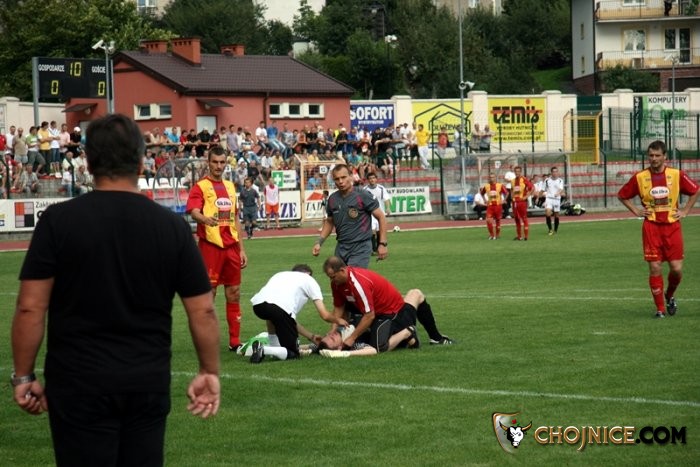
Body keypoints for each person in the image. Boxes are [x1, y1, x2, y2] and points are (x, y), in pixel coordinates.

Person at [10, 113, 220, 467]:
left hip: (78, 380)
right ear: (141, 162)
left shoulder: (58, 221)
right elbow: (203, 310)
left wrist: (24, 375)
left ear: (89, 162)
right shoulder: (170, 227)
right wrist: (208, 370)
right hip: (145, 380)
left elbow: (31, 307)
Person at [618, 140, 699, 318]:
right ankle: (660, 309)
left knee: (676, 269)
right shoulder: (640, 177)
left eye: (657, 155)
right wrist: (636, 211)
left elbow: (695, 190)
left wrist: (685, 211)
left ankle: (669, 295)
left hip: (672, 227)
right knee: (655, 267)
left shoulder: (676, 174)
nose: (653, 159)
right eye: (651, 155)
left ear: (665, 157)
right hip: (651, 228)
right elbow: (622, 195)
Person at [320, 256, 446, 358]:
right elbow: (338, 307)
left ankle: (409, 332)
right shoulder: (337, 284)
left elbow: (369, 316)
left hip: (391, 313)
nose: (332, 280)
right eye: (330, 277)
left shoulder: (358, 284)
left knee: (378, 346)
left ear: (342, 270)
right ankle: (409, 338)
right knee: (414, 294)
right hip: (377, 312)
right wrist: (333, 330)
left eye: (333, 277)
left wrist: (351, 339)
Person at [186, 146, 248, 351]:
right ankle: (206, 341)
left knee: (234, 293)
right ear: (208, 162)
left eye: (222, 162)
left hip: (231, 249)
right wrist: (204, 219)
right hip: (210, 248)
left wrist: (241, 249)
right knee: (208, 295)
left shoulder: (230, 187)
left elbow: (235, 218)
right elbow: (193, 211)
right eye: (215, 162)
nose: (218, 166)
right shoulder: (200, 187)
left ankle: (234, 342)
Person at [249, 264, 348, 363]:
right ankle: (264, 349)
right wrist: (338, 320)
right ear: (308, 274)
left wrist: (311, 336)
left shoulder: (280, 274)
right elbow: (324, 314)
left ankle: (272, 351)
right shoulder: (309, 280)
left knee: (272, 318)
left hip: (258, 306)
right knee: (293, 353)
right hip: (278, 309)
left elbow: (288, 319)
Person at [312, 164, 388, 268]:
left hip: (360, 246)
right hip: (341, 246)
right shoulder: (332, 199)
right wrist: (319, 242)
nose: (340, 181)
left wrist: (382, 243)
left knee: (353, 275)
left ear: (351, 176)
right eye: (337, 179)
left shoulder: (363, 195)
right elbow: (330, 222)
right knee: (337, 276)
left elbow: (381, 217)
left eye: (343, 177)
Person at [364, 172, 392, 254]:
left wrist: (388, 208)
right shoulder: (365, 190)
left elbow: (386, 199)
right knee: (372, 231)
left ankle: (379, 247)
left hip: (380, 213)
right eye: (370, 178)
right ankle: (373, 249)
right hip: (370, 214)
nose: (372, 180)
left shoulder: (381, 188)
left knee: (379, 231)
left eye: (373, 178)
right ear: (368, 180)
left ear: (376, 179)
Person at [480, 172, 509, 240]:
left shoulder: (500, 185)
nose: (491, 179)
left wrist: (504, 200)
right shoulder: (486, 186)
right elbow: (482, 193)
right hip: (490, 206)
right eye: (490, 177)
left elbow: (507, 193)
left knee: (498, 220)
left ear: (495, 178)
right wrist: (485, 200)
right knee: (488, 220)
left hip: (498, 206)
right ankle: (491, 235)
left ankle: (497, 235)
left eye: (493, 177)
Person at [510, 166, 534, 241]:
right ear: (514, 172)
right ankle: (519, 236)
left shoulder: (524, 179)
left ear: (520, 172)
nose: (517, 173)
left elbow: (532, 188)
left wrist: (526, 196)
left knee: (524, 218)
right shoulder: (512, 181)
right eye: (516, 171)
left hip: (522, 202)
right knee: (516, 219)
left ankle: (526, 236)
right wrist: (512, 197)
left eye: (518, 171)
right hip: (515, 202)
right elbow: (512, 190)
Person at [543, 167, 566, 235]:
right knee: (547, 213)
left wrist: (558, 193)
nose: (555, 173)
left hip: (556, 199)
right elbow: (543, 189)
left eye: (556, 171)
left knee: (556, 215)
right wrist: (539, 196)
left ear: (557, 172)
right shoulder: (547, 180)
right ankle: (550, 229)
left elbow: (561, 189)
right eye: (553, 172)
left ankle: (555, 230)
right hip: (549, 199)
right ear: (551, 173)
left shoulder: (560, 180)